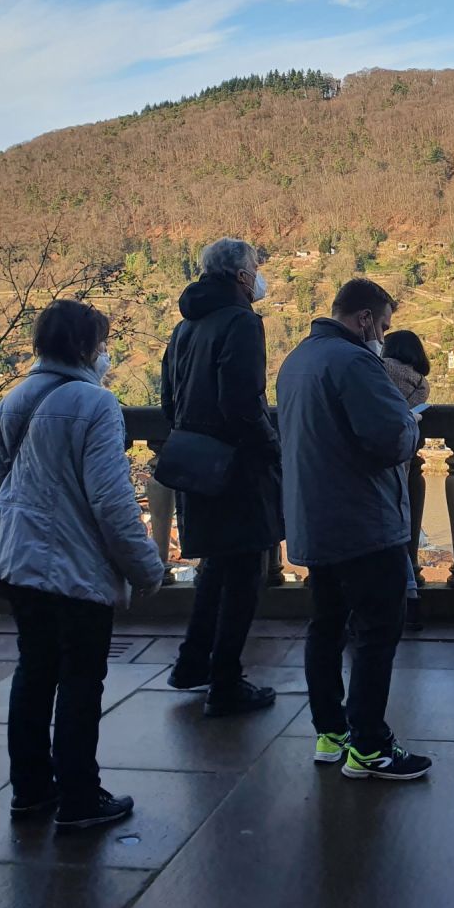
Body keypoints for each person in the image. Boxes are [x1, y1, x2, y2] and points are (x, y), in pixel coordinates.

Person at [0, 299, 164, 832]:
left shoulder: (14, 399)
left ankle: (30, 790)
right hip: (73, 565)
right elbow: (112, 501)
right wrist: (145, 568)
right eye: (100, 343)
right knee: (81, 678)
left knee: (34, 670)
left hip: (18, 559)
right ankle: (80, 796)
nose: (105, 352)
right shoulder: (96, 406)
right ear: (84, 347)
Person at [278, 278, 430, 780]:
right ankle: (369, 745)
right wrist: (411, 424)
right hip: (363, 521)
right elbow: (390, 436)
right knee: (376, 632)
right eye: (383, 325)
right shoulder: (355, 363)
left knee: (325, 626)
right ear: (365, 318)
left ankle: (331, 731)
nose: (384, 336)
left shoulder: (297, 359)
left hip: (315, 520)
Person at [160, 238, 281, 715]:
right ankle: (227, 681)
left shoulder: (184, 328)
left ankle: (193, 663)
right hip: (236, 467)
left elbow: (170, 401)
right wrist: (271, 449)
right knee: (245, 572)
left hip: (194, 459)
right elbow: (243, 403)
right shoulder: (242, 323)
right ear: (242, 276)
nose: (258, 276)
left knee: (215, 568)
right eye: (255, 267)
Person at [381, 329, 431, 629]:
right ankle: (410, 600)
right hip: (402, 461)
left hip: (372, 460)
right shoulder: (421, 386)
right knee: (399, 534)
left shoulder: (378, 368)